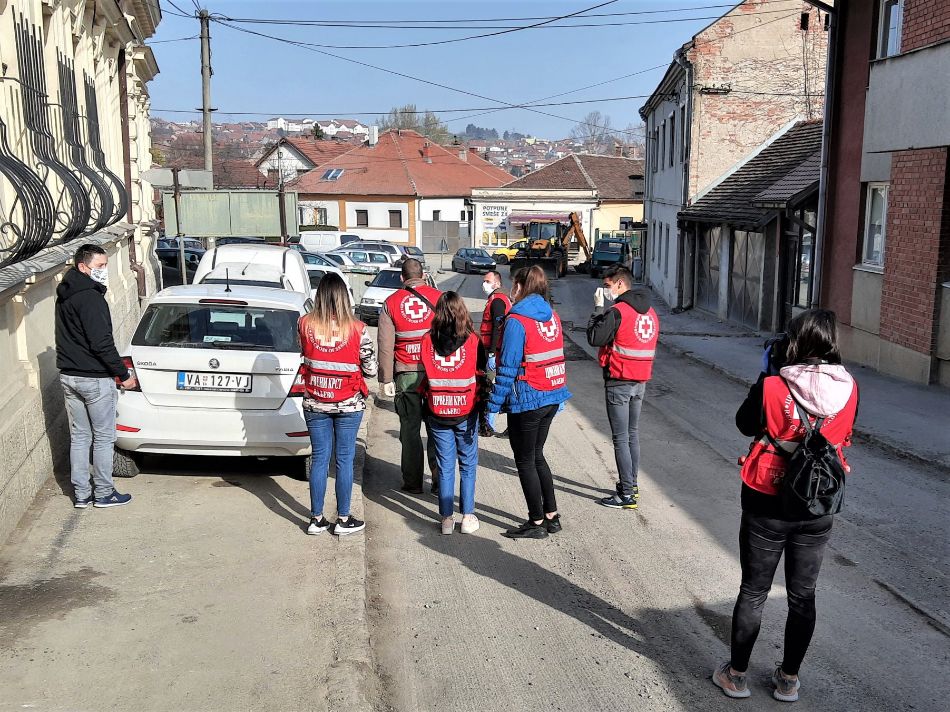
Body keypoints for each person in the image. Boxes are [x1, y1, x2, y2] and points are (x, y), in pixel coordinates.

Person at [713, 309, 858, 703]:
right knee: (802, 595)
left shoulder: (775, 385)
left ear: (792, 343)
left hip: (767, 498)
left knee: (755, 591)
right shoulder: (850, 388)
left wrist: (765, 377)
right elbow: (846, 433)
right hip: (818, 502)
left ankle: (736, 675)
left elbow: (745, 423)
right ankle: (788, 679)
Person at [487, 266, 571, 539]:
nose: (512, 290)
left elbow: (508, 368)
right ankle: (552, 516)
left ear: (520, 287)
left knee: (524, 461)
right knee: (537, 456)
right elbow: (556, 355)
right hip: (551, 394)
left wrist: (492, 406)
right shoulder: (552, 316)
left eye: (514, 285)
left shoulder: (517, 320)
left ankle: (535, 522)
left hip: (527, 398)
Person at [55, 244, 137, 509]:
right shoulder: (90, 297)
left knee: (80, 437)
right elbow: (101, 342)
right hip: (93, 378)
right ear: (83, 266)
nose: (104, 271)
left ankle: (81, 494)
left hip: (70, 376)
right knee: (103, 437)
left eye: (105, 266)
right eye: (100, 266)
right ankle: (103, 492)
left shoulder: (65, 293)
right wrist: (123, 374)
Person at [299, 272, 377, 536]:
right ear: (344, 297)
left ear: (319, 296)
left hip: (315, 401)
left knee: (319, 458)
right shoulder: (357, 329)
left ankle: (316, 518)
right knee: (344, 460)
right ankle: (343, 519)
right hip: (348, 403)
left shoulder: (304, 324)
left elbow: (302, 355)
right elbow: (371, 369)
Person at [586, 264, 659, 510]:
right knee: (632, 435)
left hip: (619, 381)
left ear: (619, 284)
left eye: (606, 286)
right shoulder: (650, 313)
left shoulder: (617, 312)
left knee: (620, 438)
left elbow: (594, 337)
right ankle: (632, 484)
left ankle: (626, 494)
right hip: (640, 382)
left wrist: (598, 307)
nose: (605, 290)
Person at [420, 292, 487, 535]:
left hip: (437, 409)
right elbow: (481, 370)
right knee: (468, 465)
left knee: (446, 465)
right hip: (466, 410)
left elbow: (424, 371)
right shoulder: (473, 340)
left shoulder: (427, 340)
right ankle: (468, 517)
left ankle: (446, 519)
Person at [377, 258, 442, 495]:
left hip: (406, 374)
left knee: (410, 429)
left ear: (401, 278)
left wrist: (385, 379)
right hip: (437, 373)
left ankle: (413, 482)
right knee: (438, 427)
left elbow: (385, 344)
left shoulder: (391, 302)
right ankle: (439, 479)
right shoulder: (439, 298)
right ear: (423, 275)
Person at [479, 269, 511, 438]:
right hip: (495, 351)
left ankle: (488, 424)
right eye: (484, 281)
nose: (484, 284)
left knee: (492, 387)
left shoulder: (498, 301)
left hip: (496, 352)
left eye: (488, 281)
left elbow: (498, 329)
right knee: (499, 387)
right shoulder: (496, 299)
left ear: (497, 283)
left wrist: (491, 353)